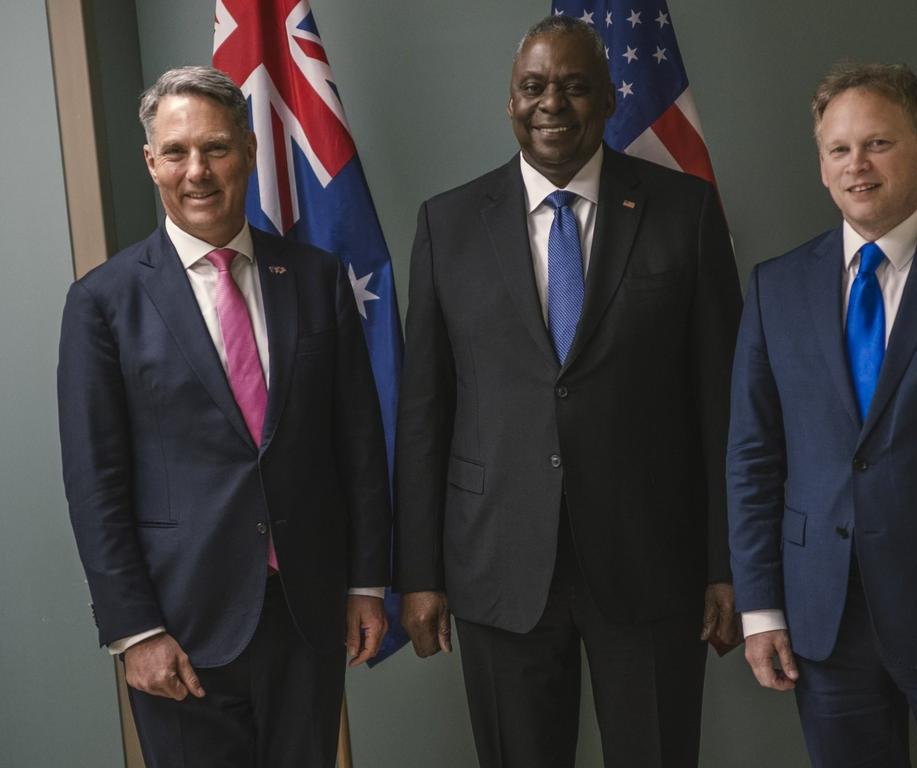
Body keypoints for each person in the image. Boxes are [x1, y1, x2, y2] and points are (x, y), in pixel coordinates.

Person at [394, 16, 741, 768]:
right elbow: (424, 411)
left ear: (609, 98)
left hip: (652, 559)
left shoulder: (686, 212)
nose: (552, 102)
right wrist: (418, 573)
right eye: (534, 86)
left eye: (575, 86)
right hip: (497, 564)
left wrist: (727, 561)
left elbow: (723, 408)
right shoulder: (446, 224)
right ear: (510, 101)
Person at [57, 66, 391, 767]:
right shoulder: (103, 302)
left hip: (307, 613)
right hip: (181, 629)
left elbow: (357, 443)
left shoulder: (314, 277)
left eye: (214, 148)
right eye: (176, 152)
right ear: (151, 164)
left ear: (248, 151)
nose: (197, 171)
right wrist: (135, 630)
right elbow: (96, 487)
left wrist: (365, 582)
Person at [727, 62, 917, 767]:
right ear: (823, 166)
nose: (857, 165)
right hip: (822, 625)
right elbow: (753, 458)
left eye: (878, 144)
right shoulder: (776, 286)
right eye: (839, 149)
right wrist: (762, 609)